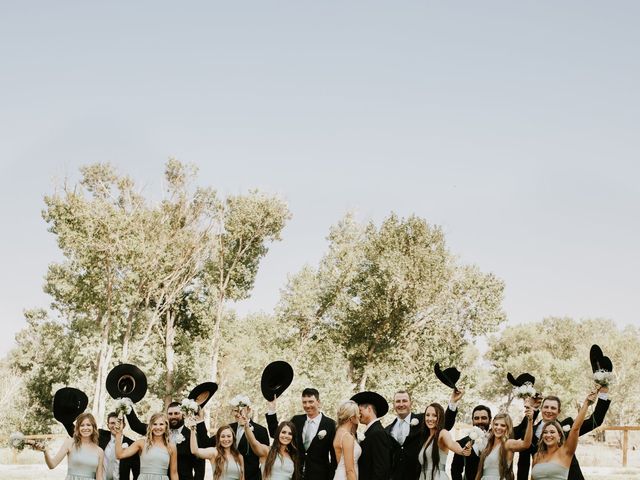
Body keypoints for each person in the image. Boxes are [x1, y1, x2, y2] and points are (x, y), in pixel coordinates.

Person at [514, 385, 610, 480]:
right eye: (546, 407)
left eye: (553, 408)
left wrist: (603, 393)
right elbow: (523, 465)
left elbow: (595, 420)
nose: (549, 410)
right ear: (541, 409)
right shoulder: (528, 433)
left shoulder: (568, 426)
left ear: (559, 411)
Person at [386, 389, 461, 480]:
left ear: (411, 403)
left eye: (404, 401)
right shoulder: (387, 430)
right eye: (398, 401)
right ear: (393, 404)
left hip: (419, 476)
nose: (401, 404)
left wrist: (453, 402)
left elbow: (445, 424)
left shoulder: (424, 420)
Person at [266, 388, 336, 480]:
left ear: (318, 402)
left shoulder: (330, 424)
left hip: (320, 476)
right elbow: (276, 434)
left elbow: (334, 455)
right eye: (304, 402)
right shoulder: (296, 420)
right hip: (296, 475)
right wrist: (272, 409)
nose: (307, 405)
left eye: (311, 401)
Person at [128, 402, 209, 480]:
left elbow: (200, 468)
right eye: (170, 414)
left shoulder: (192, 437)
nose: (173, 416)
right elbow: (136, 425)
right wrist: (126, 405)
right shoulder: (157, 431)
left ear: (183, 414)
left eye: (176, 413)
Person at [531, 390, 598, 480]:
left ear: (559, 435)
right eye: (545, 432)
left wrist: (586, 403)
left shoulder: (566, 452)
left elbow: (575, 429)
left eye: (552, 432)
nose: (548, 435)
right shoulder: (537, 456)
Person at [36, 412, 105, 480]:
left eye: (88, 425)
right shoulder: (70, 443)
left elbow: (99, 477)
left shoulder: (99, 451)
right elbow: (52, 465)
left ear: (93, 427)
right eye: (82, 425)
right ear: (78, 428)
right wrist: (45, 451)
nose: (85, 428)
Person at [474, 407, 533, 480]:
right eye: (496, 424)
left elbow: (526, 444)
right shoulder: (488, 445)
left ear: (508, 428)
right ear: (492, 425)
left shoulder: (507, 444)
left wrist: (530, 421)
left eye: (503, 425)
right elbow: (479, 473)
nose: (498, 427)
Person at [116, 412, 178, 480]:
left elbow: (174, 473)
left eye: (161, 424)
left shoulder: (171, 446)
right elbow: (120, 455)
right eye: (155, 424)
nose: (158, 427)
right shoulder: (141, 443)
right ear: (150, 426)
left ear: (166, 426)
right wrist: (118, 433)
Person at [240, 411, 300, 480]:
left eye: (290, 433)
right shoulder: (267, 451)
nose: (286, 436)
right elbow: (254, 442)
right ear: (278, 434)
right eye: (283, 432)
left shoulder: (292, 455)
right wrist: (247, 427)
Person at [418, 403, 472, 480]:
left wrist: (462, 451)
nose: (430, 418)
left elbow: (452, 443)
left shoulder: (442, 433)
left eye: (434, 415)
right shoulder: (425, 438)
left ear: (440, 417)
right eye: (427, 415)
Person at [221, 397, 270, 480]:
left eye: (240, 410)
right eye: (235, 410)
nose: (237, 413)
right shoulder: (228, 428)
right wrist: (199, 421)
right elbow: (206, 443)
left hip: (252, 477)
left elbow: (265, 458)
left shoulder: (260, 430)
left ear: (248, 410)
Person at [351, 391, 391, 480]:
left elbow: (381, 468)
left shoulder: (378, 433)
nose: (358, 415)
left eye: (360, 411)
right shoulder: (371, 431)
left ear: (369, 409)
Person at [451, 405, 492, 480]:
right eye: (476, 418)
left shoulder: (496, 442)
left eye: (484, 418)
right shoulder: (462, 443)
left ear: (490, 420)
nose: (480, 421)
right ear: (472, 420)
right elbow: (456, 470)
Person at [101, 412, 140, 480]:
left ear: (124, 425)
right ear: (108, 425)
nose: (116, 426)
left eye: (119, 422)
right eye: (112, 423)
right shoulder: (100, 436)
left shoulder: (132, 444)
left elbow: (136, 472)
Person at [332, 400, 360, 480]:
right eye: (357, 413)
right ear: (351, 418)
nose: (359, 415)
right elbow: (349, 470)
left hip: (340, 475)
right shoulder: (347, 437)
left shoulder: (339, 432)